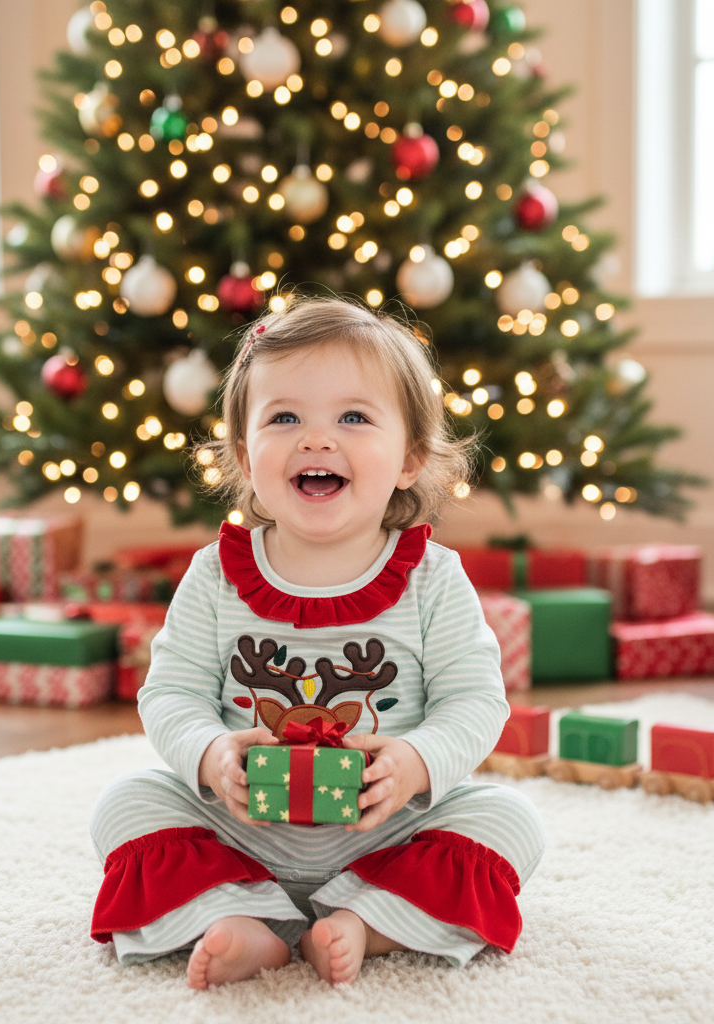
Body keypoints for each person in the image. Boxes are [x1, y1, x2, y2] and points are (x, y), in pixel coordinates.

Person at [88, 296, 545, 988]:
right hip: (243, 829)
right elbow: (172, 691)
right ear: (245, 456)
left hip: (384, 832)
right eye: (284, 418)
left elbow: (474, 702)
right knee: (125, 804)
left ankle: (367, 921)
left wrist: (415, 763)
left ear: (409, 459)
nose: (316, 439)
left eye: (354, 418)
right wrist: (211, 755)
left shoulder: (432, 576)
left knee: (509, 819)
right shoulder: (216, 574)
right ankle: (247, 918)